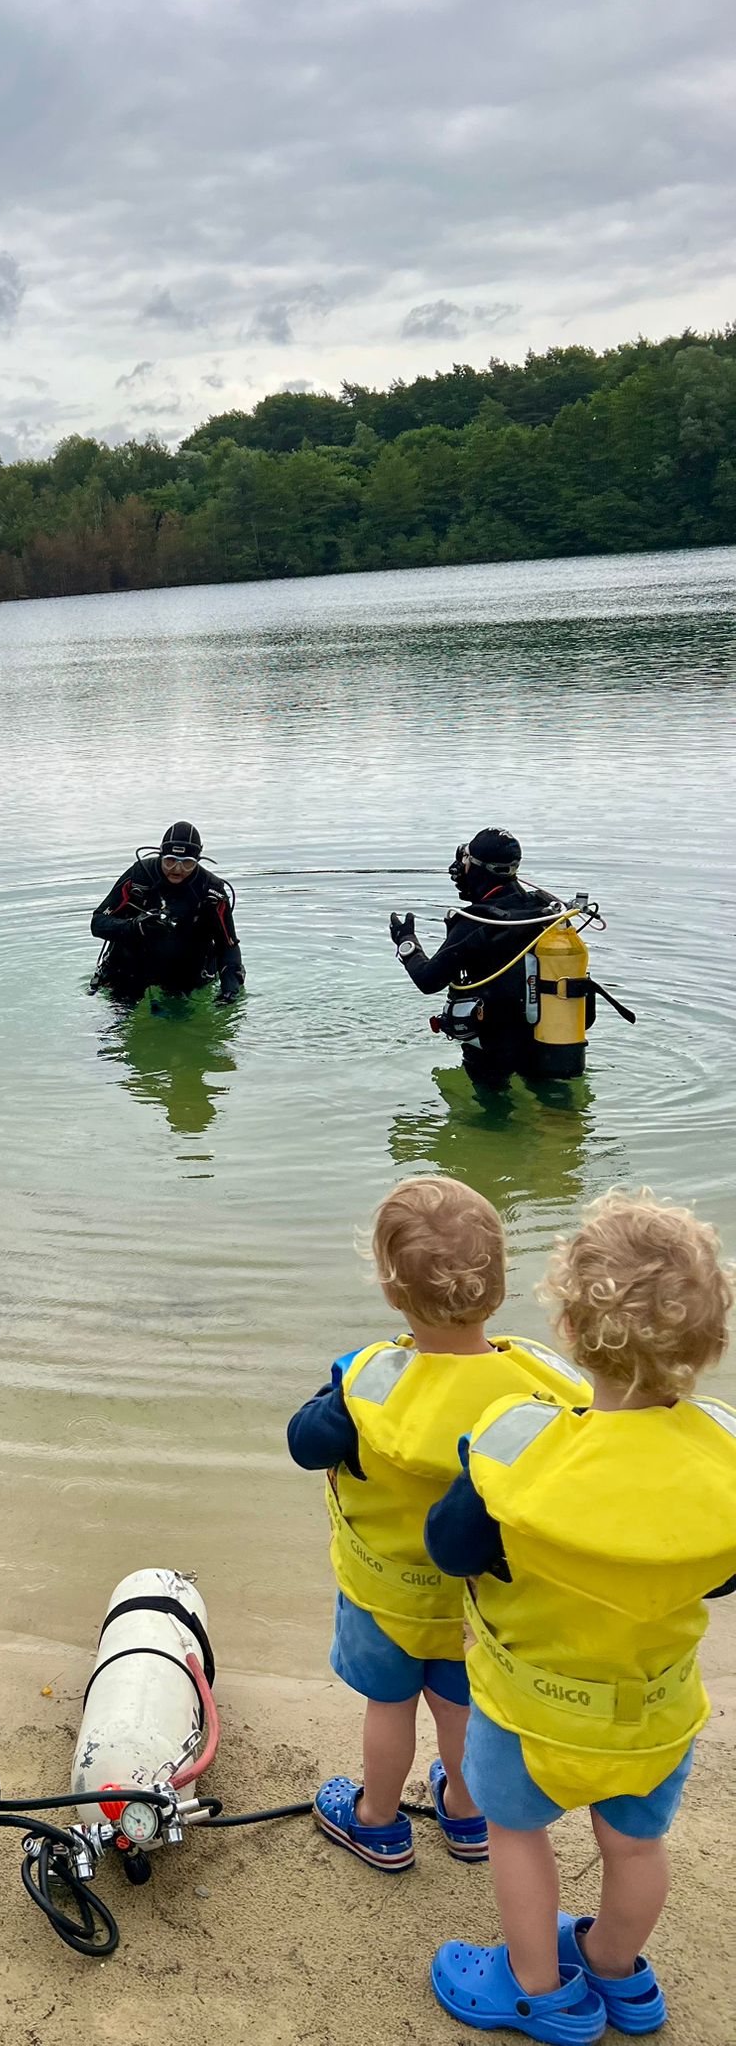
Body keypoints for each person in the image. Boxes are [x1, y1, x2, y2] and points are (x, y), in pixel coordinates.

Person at [425, 1191, 736, 2042]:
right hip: (653, 1714)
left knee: (517, 1835)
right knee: (634, 1847)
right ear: (708, 1340)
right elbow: (722, 1576)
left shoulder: (516, 1446)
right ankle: (616, 1973)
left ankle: (538, 1990)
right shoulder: (725, 1454)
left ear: (566, 1326)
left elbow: (450, 1546)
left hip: (528, 1711)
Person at [286, 1177, 586, 1877]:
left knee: (389, 1706)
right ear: (499, 1287)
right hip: (477, 1607)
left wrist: (331, 1398)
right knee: (459, 1710)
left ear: (392, 1292)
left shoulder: (366, 1384)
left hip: (383, 1597)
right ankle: (467, 1812)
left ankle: (378, 1822)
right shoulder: (543, 1389)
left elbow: (305, 1444)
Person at [389, 829, 562, 1087]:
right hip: (550, 1041)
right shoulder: (546, 909)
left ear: (480, 868)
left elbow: (428, 980)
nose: (461, 864)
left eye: (466, 858)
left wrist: (407, 942)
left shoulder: (476, 921)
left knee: (492, 1109)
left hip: (493, 1051)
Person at [89, 821, 244, 1005]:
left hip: (184, 976)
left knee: (184, 1019)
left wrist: (229, 992)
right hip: (130, 971)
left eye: (187, 863)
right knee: (118, 1018)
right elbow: (98, 923)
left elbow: (228, 945)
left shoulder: (211, 889)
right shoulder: (140, 876)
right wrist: (135, 927)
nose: (177, 869)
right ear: (161, 855)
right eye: (170, 861)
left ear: (198, 860)